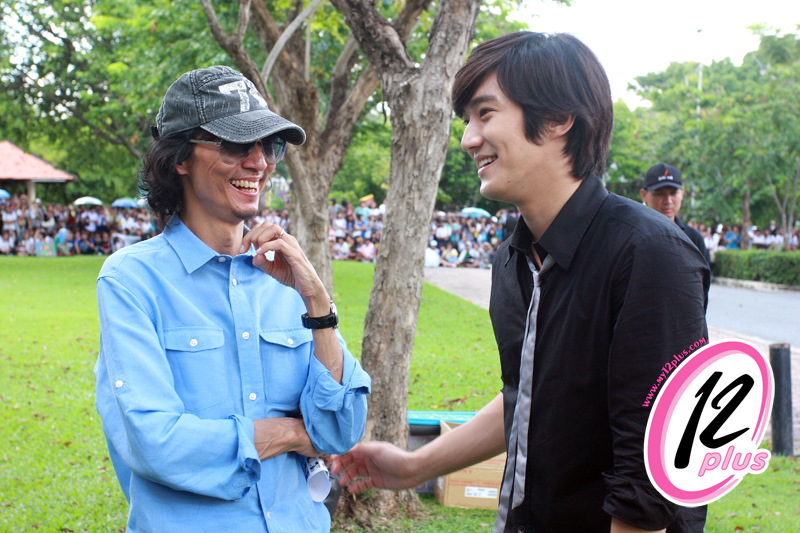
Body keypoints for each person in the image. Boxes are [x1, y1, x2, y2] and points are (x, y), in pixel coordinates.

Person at [331, 32, 709, 533]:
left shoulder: (650, 254)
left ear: (558, 118)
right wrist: (414, 466)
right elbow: (528, 396)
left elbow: (652, 475)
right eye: (467, 120)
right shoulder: (511, 259)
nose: (468, 139)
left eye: (485, 114)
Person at [93, 66, 370, 533]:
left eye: (269, 146)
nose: (259, 162)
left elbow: (340, 431)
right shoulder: (131, 280)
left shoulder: (285, 279)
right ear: (179, 158)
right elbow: (154, 442)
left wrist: (318, 307)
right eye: (236, 145)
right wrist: (291, 433)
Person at [640, 163, 711, 266]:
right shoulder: (634, 236)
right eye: (660, 193)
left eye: (673, 193)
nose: (668, 201)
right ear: (644, 195)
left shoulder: (694, 239)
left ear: (682, 193)